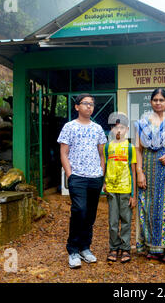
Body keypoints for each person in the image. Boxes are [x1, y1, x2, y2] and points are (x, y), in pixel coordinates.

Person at [57, 94, 107, 269]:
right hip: (77, 176)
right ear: (77, 107)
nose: (89, 107)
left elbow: (102, 154)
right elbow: (63, 152)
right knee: (79, 210)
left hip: (95, 177)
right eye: (85, 104)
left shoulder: (98, 129)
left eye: (92, 104)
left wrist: (101, 172)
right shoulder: (69, 127)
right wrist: (70, 174)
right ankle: (73, 250)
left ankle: (85, 247)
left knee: (91, 213)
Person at [134, 88, 165, 262]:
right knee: (147, 205)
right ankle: (152, 246)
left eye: (161, 100)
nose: (158, 103)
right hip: (147, 168)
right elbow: (138, 149)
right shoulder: (142, 123)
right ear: (151, 102)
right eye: (155, 100)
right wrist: (139, 172)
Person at [103, 113, 137, 263]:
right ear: (111, 129)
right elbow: (104, 166)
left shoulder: (130, 148)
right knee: (112, 221)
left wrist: (133, 194)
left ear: (127, 129)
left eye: (122, 128)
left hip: (125, 189)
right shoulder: (107, 147)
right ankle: (113, 247)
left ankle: (125, 248)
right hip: (111, 188)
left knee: (126, 220)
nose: (118, 130)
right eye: (115, 127)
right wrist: (104, 183)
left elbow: (134, 171)